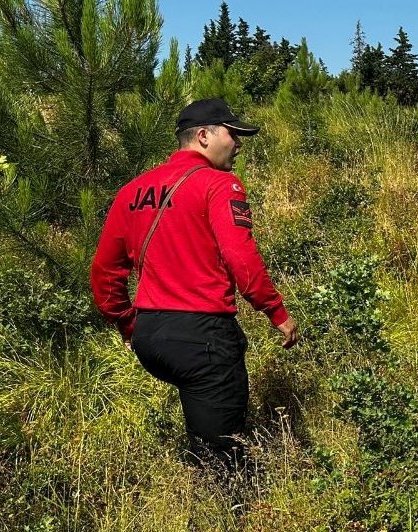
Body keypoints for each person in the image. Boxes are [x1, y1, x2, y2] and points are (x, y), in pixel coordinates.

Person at [91, 98, 299, 468]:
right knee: (224, 458)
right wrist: (276, 312)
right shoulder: (219, 184)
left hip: (150, 335)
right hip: (202, 334)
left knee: (203, 428)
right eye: (233, 134)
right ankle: (227, 517)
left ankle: (195, 493)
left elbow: (105, 271)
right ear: (203, 136)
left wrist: (126, 322)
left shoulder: (132, 191)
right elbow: (241, 258)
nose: (239, 143)